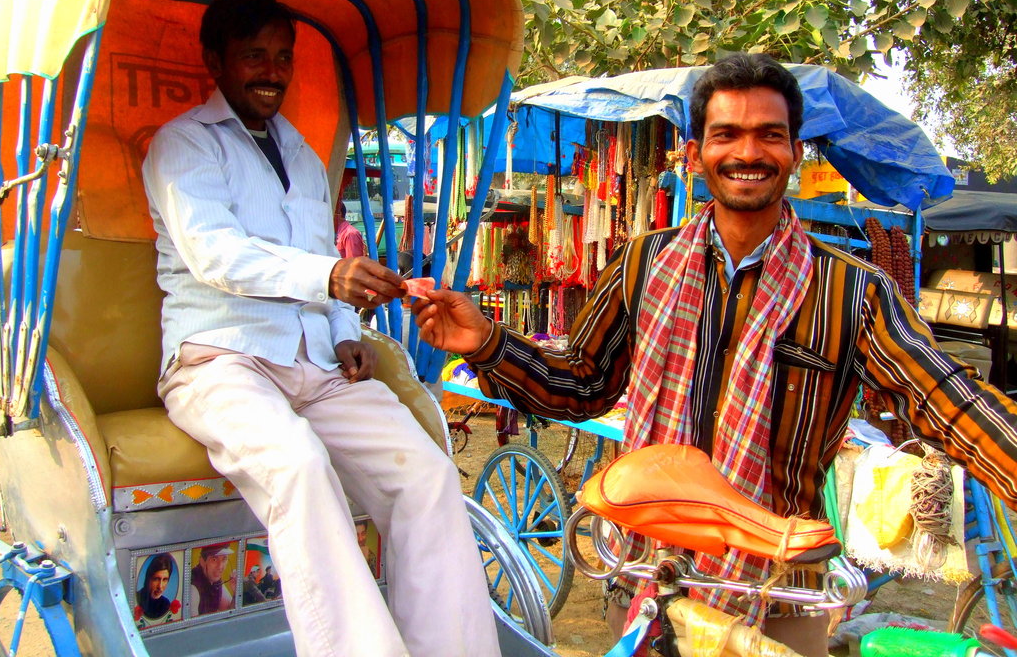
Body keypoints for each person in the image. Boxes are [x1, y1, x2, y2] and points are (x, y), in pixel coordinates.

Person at [412, 52, 1017, 657]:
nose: (748, 154)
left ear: (794, 152)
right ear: (696, 152)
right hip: (648, 581)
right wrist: (487, 343)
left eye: (770, 136)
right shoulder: (644, 263)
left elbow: (943, 398)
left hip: (777, 604)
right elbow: (585, 383)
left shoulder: (852, 291)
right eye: (727, 134)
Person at [143, 0, 500, 657]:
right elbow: (216, 254)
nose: (271, 71)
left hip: (315, 361)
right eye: (254, 56)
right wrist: (327, 280)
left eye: (282, 57)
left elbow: (321, 258)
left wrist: (342, 327)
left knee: (423, 472)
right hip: (221, 361)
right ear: (215, 61)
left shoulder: (303, 156)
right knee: (299, 466)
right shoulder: (184, 145)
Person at [190, 543, 235, 615]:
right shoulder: (193, 589)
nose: (220, 566)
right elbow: (193, 625)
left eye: (224, 559)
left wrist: (235, 592)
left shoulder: (215, 581)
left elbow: (229, 611)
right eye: (214, 559)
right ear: (202, 561)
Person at [135, 553, 178, 626]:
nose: (160, 586)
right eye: (156, 579)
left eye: (165, 580)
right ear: (148, 578)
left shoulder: (165, 603)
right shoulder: (138, 598)